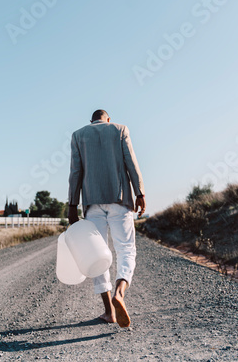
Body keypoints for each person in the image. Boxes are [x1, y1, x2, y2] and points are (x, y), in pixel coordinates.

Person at [68, 109, 146, 328]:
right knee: (126, 249)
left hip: (92, 203)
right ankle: (120, 293)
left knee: (97, 255)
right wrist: (140, 193)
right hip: (119, 199)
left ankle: (109, 311)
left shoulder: (78, 135)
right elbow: (131, 162)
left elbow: (76, 172)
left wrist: (72, 205)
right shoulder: (120, 129)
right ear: (108, 119)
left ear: (90, 121)